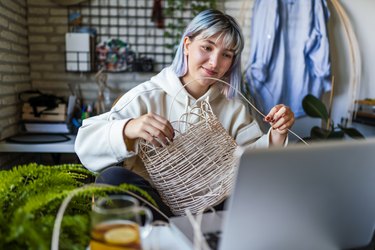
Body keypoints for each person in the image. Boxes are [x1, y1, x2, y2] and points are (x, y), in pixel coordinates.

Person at [75, 9, 295, 220]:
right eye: (207, 47)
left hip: (212, 208)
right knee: (112, 178)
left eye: (226, 55)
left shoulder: (233, 108)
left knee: (258, 191)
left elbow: (253, 164)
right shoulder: (147, 96)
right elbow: (85, 145)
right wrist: (129, 128)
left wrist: (277, 134)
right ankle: (170, 234)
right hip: (154, 209)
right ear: (187, 45)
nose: (214, 62)